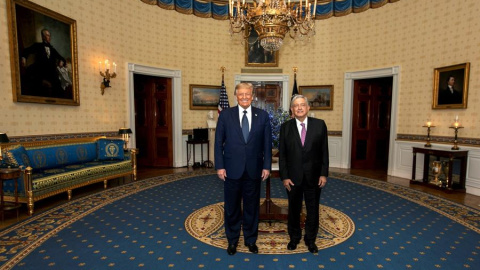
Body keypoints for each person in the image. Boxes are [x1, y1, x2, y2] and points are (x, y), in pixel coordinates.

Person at [214, 82, 272, 255]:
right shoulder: (225, 115)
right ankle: (232, 241)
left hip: (254, 169)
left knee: (251, 207)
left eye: (248, 94)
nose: (245, 97)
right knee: (231, 207)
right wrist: (220, 166)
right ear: (236, 96)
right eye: (241, 94)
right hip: (231, 169)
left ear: (252, 95)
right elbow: (218, 143)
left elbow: (267, 144)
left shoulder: (262, 115)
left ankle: (250, 240)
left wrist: (267, 166)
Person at [279, 94, 329, 254]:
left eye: (302, 105)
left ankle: (310, 240)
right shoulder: (285, 127)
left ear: (308, 108)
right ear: (292, 110)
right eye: (296, 105)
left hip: (314, 177)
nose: (299, 108)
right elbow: (283, 155)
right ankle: (294, 238)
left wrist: (323, 173)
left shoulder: (320, 125)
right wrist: (285, 177)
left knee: (313, 210)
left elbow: (324, 152)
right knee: (294, 210)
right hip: (293, 178)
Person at [20, 28, 67, 98]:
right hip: (40, 70)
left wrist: (61, 61)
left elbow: (61, 58)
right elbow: (26, 51)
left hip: (51, 72)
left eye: (49, 35)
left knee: (59, 88)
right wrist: (23, 57)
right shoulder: (37, 46)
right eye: (47, 35)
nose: (49, 37)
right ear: (43, 37)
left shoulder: (52, 49)